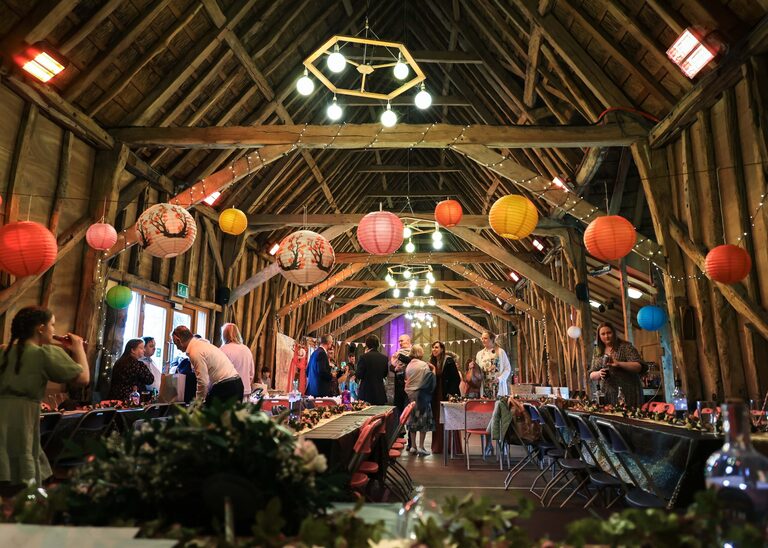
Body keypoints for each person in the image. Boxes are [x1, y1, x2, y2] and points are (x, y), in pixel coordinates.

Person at [0, 306, 89, 494]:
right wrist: (78, 348)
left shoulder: (3, 351)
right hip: (21, 419)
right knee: (20, 477)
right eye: (52, 325)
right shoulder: (43, 354)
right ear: (41, 328)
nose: (54, 331)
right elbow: (83, 379)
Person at [172, 326, 243, 405]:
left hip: (226, 387)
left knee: (208, 415)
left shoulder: (195, 351)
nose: (177, 348)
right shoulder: (201, 344)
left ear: (179, 340)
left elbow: (202, 381)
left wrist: (198, 403)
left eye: (175, 344)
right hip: (237, 384)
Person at [589, 322, 646, 407]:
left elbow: (639, 367)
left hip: (628, 392)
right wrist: (599, 373)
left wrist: (619, 364)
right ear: (599, 336)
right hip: (607, 393)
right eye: (603, 334)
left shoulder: (625, 347)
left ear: (614, 333)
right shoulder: (597, 351)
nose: (606, 336)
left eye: (609, 333)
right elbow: (591, 374)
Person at [429, 341, 462, 454]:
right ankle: (438, 447)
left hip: (446, 394)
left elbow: (456, 378)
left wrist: (451, 393)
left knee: (449, 419)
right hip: (435, 395)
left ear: (442, 349)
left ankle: (451, 447)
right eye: (433, 347)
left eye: (437, 347)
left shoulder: (448, 361)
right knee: (438, 420)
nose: (434, 349)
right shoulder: (432, 361)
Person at [404, 345, 435, 457]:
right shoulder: (423, 365)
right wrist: (434, 370)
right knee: (423, 421)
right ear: (420, 353)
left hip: (410, 395)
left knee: (412, 420)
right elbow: (429, 380)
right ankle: (421, 447)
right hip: (421, 395)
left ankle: (413, 446)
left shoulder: (409, 366)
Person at [220, 323, 255, 399]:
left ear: (224, 335)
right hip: (245, 391)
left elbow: (219, 374)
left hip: (228, 392)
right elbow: (251, 373)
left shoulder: (222, 350)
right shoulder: (246, 349)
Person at [476, 330, 511, 398]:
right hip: (484, 387)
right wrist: (472, 366)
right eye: (482, 338)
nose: (483, 340)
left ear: (492, 339)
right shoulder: (479, 354)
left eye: (485, 338)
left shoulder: (500, 352)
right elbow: (478, 371)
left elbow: (507, 368)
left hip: (498, 386)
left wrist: (500, 379)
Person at [356, 335, 389, 405]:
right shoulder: (384, 358)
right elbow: (385, 374)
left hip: (366, 393)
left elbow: (359, 375)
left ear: (367, 345)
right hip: (379, 393)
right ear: (378, 344)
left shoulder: (363, 357)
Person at [390, 334, 411, 416]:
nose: (400, 343)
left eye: (402, 341)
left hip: (409, 382)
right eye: (399, 341)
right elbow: (391, 366)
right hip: (399, 383)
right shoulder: (397, 352)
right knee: (399, 408)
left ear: (408, 341)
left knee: (408, 406)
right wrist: (395, 369)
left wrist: (399, 356)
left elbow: (411, 360)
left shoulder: (412, 351)